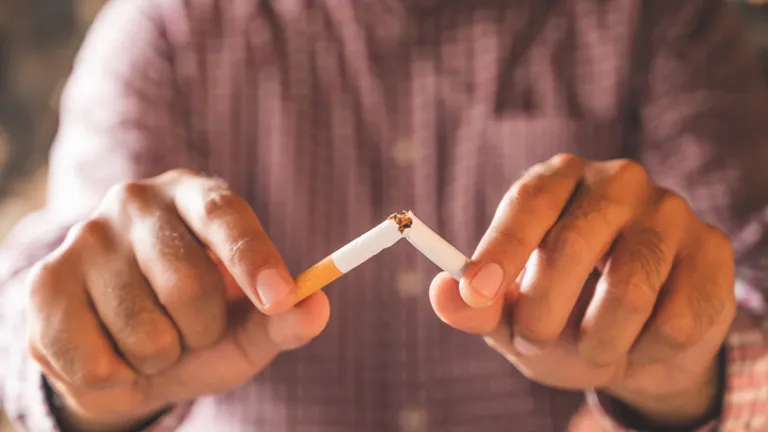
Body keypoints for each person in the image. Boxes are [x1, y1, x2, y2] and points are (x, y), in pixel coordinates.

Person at [1, 0, 767, 430]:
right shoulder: (164, 33)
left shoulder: (657, 22)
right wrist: (85, 379)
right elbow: (31, 308)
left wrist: (686, 377)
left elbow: (752, 295)